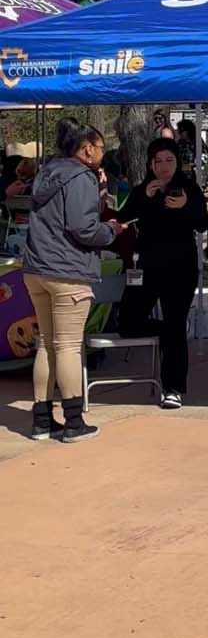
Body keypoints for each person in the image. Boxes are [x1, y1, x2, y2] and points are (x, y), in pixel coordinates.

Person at [22, 118, 124, 442]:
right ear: (87, 148)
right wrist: (111, 230)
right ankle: (74, 422)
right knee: (68, 345)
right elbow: (83, 228)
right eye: (101, 148)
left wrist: (100, 193)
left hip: (37, 268)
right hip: (68, 270)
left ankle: (41, 421)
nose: (103, 154)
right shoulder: (80, 177)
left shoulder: (46, 172)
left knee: (46, 343)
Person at [118, 139, 208, 409]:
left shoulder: (189, 188)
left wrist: (185, 206)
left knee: (175, 323)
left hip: (180, 268)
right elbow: (123, 217)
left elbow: (202, 224)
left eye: (170, 160)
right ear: (151, 164)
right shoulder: (143, 189)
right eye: (159, 161)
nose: (164, 166)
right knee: (128, 322)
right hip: (146, 267)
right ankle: (170, 330)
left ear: (177, 162)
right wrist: (144, 197)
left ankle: (174, 388)